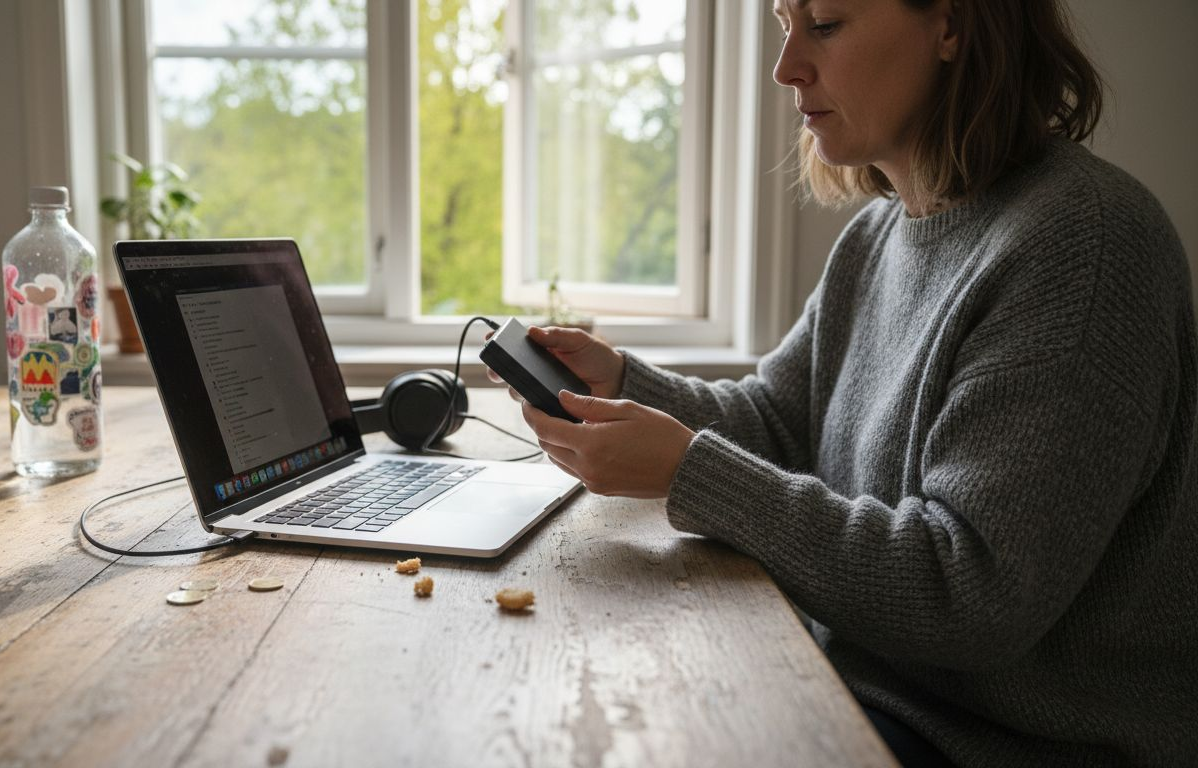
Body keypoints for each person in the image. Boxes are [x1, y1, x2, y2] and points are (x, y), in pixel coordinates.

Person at [492, 0, 1197, 765]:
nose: (786, 67)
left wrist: (687, 471)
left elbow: (971, 595)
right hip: (861, 690)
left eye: (824, 24)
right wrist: (629, 383)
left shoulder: (1085, 246)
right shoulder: (876, 236)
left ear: (953, 25)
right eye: (782, 22)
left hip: (999, 744)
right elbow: (778, 421)